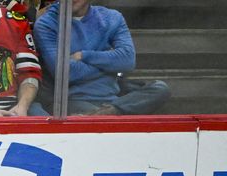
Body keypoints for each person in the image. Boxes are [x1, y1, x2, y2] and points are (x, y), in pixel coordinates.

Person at [33, 0, 170, 115]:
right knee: (99, 118)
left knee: (160, 88)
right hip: (73, 100)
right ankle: (110, 113)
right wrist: (111, 64)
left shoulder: (112, 17)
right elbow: (67, 73)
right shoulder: (46, 24)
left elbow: (128, 60)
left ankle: (111, 111)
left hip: (114, 97)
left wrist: (84, 55)